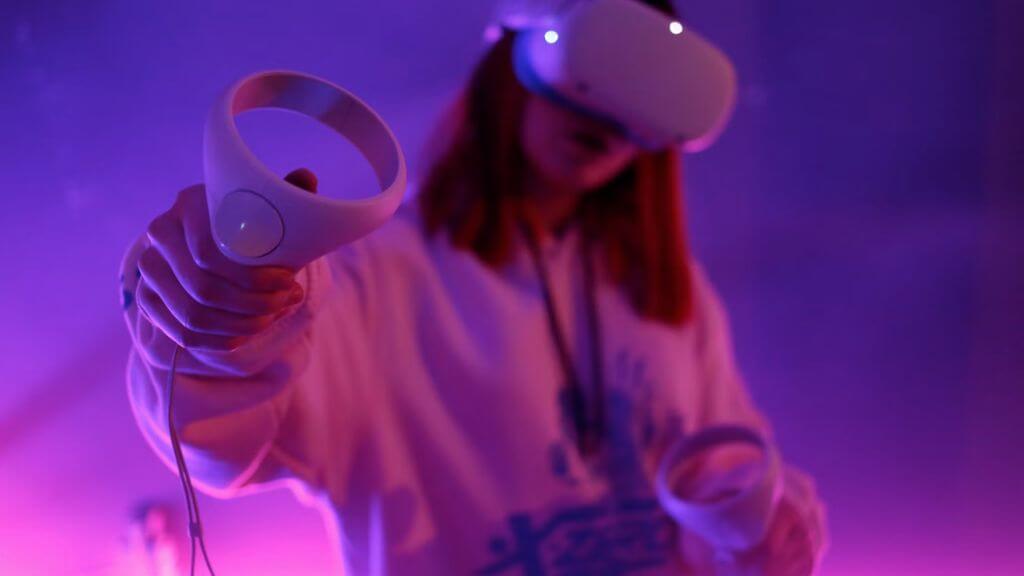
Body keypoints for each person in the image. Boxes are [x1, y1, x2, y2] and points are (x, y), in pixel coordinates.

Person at [119, 2, 826, 573]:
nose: (608, 112)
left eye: (648, 84)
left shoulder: (669, 292)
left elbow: (726, 466)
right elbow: (222, 442)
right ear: (516, 57)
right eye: (601, 56)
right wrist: (226, 324)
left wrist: (765, 527)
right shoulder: (378, 277)